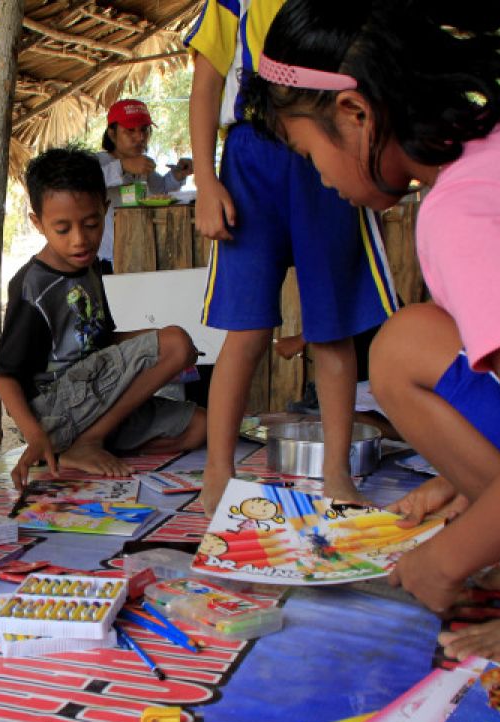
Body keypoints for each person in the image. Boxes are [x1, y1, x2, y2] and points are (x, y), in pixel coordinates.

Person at [247, 0, 500, 673]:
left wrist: (450, 554)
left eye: (309, 153)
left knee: (404, 348)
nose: (319, 177)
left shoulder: (464, 208)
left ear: (355, 115)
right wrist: (473, 480)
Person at [186, 0, 399, 516]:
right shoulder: (231, 2)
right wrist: (206, 180)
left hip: (327, 139)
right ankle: (218, 471)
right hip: (249, 157)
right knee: (247, 328)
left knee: (331, 327)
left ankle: (337, 475)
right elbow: (207, 83)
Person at [0, 146, 207, 490]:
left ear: (105, 210)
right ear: (37, 222)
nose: (80, 239)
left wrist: (156, 345)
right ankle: (87, 442)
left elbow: (102, 339)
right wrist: (35, 437)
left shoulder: (90, 267)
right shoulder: (33, 285)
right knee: (175, 343)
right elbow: (4, 376)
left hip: (97, 398)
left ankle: (85, 447)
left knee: (199, 426)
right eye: (63, 229)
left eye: (91, 224)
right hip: (57, 411)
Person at [96, 99, 193, 265]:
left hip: (139, 252)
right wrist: (123, 167)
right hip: (104, 259)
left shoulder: (142, 164)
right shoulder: (98, 162)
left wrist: (178, 174)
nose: (140, 137)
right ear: (112, 134)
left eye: (144, 130)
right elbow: (83, 183)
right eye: (130, 130)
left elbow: (160, 190)